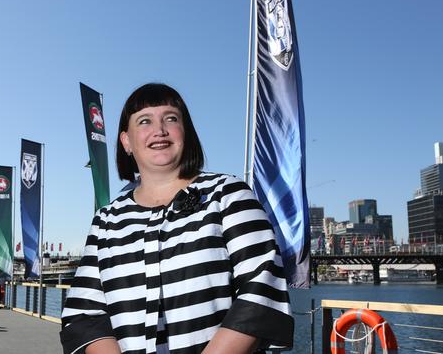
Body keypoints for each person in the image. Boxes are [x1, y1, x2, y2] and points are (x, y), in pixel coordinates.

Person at [60, 84, 293, 354]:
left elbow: (261, 290)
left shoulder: (227, 195)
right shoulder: (106, 220)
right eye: (144, 121)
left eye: (171, 118)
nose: (159, 130)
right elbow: (84, 316)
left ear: (186, 132)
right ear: (126, 141)